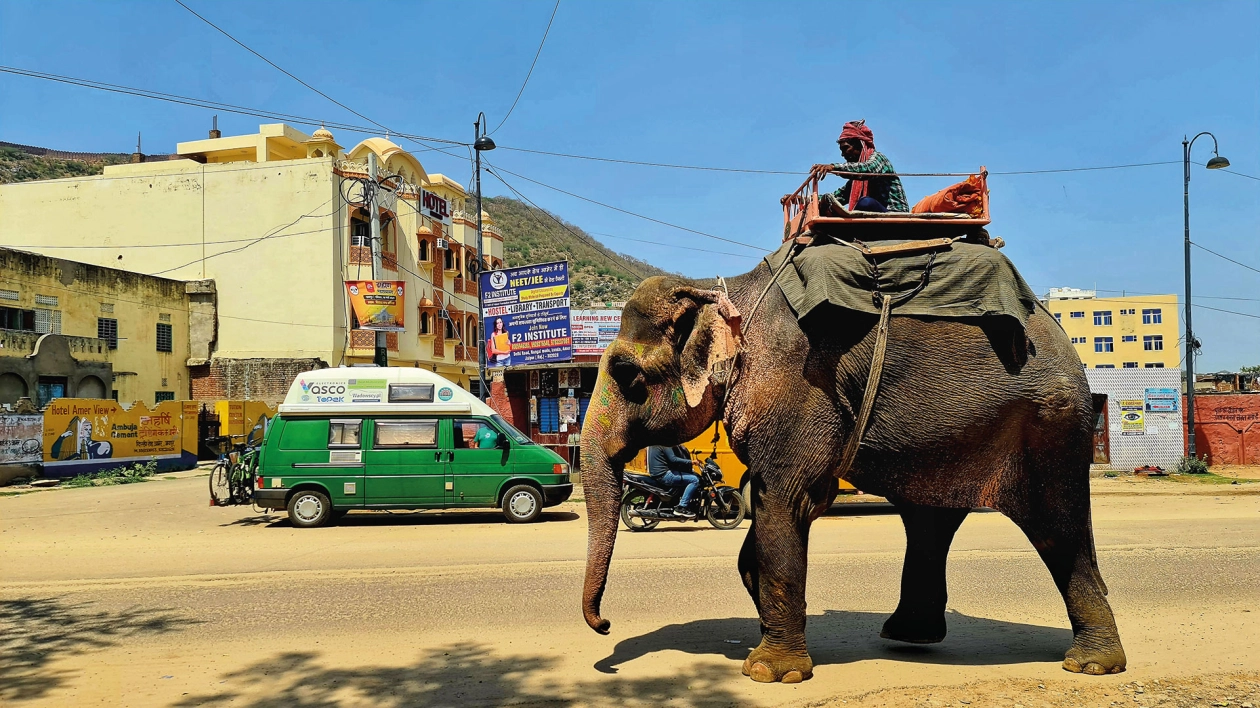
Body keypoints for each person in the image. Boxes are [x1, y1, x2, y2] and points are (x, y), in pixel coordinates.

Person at [813, 119, 909, 214]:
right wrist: (814, 199)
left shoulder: (879, 159)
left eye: (846, 148)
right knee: (830, 208)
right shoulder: (856, 180)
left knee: (866, 203)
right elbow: (840, 196)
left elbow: (867, 169)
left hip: (895, 215)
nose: (843, 154)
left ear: (860, 145)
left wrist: (833, 167)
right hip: (876, 216)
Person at [647, 444, 700, 518]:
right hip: (665, 475)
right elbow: (673, 459)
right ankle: (681, 507)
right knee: (694, 480)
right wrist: (691, 462)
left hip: (656, 474)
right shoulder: (665, 444)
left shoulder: (654, 444)